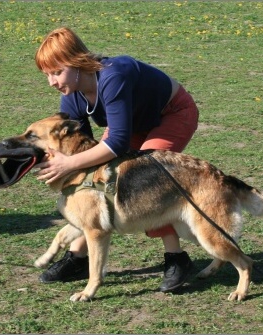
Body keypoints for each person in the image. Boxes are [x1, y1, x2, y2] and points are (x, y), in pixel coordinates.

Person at [33, 27, 199, 293]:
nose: (52, 82)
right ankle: (78, 257)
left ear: (76, 63)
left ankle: (176, 258)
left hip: (172, 114)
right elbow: (82, 154)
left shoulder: (113, 76)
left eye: (57, 72)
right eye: (47, 75)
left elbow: (116, 143)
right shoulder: (72, 96)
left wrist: (68, 164)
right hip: (131, 125)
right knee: (96, 181)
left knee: (145, 181)